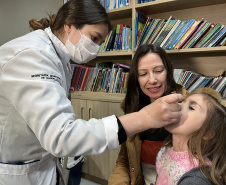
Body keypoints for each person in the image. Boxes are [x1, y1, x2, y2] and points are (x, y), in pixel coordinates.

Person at [0, 0, 184, 185]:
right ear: (70, 24)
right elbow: (62, 136)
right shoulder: (33, 55)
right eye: (94, 38)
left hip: (40, 164)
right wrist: (144, 118)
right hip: (18, 171)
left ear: (170, 69)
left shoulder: (59, 59)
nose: (95, 51)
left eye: (158, 70)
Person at [109, 43, 190, 185]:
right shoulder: (133, 108)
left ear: (169, 70)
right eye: (143, 74)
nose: (152, 80)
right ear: (136, 78)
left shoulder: (190, 108)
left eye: (158, 71)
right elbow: (124, 161)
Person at [156, 88, 226, 185]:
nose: (177, 105)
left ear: (207, 133)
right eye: (182, 102)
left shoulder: (196, 178)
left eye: (191, 107)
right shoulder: (165, 150)